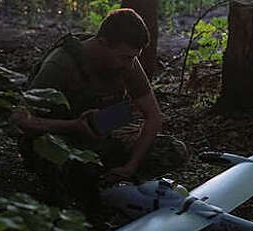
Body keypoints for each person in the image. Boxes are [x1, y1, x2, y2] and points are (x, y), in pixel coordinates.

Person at [12, 8, 188, 211]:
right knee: (58, 158)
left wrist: (130, 166)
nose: (129, 64)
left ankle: (112, 182)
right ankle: (74, 198)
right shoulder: (61, 64)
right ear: (102, 43)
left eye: (134, 57)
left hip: (102, 135)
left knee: (172, 150)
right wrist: (73, 126)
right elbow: (20, 119)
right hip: (61, 138)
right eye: (124, 57)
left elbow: (153, 118)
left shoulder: (127, 60)